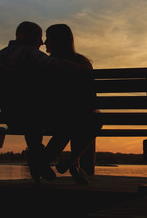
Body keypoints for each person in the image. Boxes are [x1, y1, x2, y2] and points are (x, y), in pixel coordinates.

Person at [0, 21, 95, 184]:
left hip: (13, 116)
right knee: (75, 120)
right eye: (40, 37)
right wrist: (84, 69)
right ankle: (53, 161)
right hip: (39, 115)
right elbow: (57, 68)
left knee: (42, 116)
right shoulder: (33, 55)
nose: (42, 42)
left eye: (45, 38)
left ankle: (40, 158)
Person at [44, 24, 101, 184]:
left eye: (48, 38)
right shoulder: (82, 62)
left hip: (52, 119)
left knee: (71, 123)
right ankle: (73, 161)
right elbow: (91, 96)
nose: (44, 42)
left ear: (56, 41)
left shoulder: (47, 64)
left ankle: (45, 161)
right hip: (81, 119)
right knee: (90, 119)